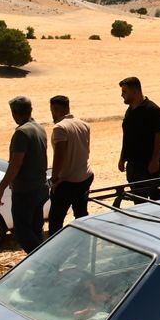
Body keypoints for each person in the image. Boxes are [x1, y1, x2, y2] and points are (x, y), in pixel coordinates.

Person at [0, 96, 49, 253]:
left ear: (14, 113)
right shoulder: (39, 128)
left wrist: (0, 189)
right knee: (35, 230)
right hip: (40, 187)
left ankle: (40, 259)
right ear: (30, 110)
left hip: (25, 190)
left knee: (23, 232)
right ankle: (43, 258)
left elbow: (16, 164)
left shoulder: (21, 133)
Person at [47, 95, 94, 235]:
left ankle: (57, 246)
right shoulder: (84, 124)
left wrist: (55, 178)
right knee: (81, 214)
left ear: (55, 109)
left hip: (67, 181)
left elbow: (59, 155)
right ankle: (84, 240)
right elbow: (87, 150)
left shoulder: (60, 128)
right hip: (85, 176)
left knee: (55, 220)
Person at [118, 77, 160, 200]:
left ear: (135, 91)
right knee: (138, 201)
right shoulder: (129, 111)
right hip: (133, 166)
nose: (122, 95)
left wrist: (155, 160)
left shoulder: (152, 110)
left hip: (149, 166)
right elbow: (127, 137)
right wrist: (122, 159)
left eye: (124, 91)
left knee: (157, 200)